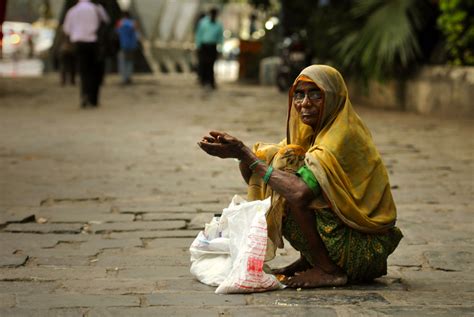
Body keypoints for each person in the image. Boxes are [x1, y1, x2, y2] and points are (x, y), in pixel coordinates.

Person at [198, 65, 403, 288]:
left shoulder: (341, 136)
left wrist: (245, 154)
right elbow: (267, 162)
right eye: (299, 94)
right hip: (352, 239)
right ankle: (311, 260)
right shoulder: (315, 130)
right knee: (280, 164)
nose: (304, 103)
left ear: (334, 97)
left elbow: (299, 192)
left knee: (290, 191)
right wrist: (242, 155)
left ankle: (329, 270)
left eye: (315, 94)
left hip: (363, 250)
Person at [63, 0, 110, 108]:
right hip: (93, 42)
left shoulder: (72, 11)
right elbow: (106, 20)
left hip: (79, 43)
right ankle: (94, 98)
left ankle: (84, 95)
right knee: (94, 71)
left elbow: (67, 29)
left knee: (84, 71)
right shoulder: (96, 8)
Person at [194, 8, 223, 89]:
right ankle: (203, 80)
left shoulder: (218, 24)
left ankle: (211, 81)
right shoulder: (203, 23)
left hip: (213, 46)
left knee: (211, 64)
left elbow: (220, 37)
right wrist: (198, 46)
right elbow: (199, 34)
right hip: (204, 46)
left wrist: (220, 48)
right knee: (204, 63)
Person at [115, 11, 139, 85]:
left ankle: (124, 78)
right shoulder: (133, 23)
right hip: (132, 45)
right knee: (130, 62)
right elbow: (137, 34)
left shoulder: (120, 23)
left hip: (123, 45)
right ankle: (129, 77)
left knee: (123, 62)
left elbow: (117, 32)